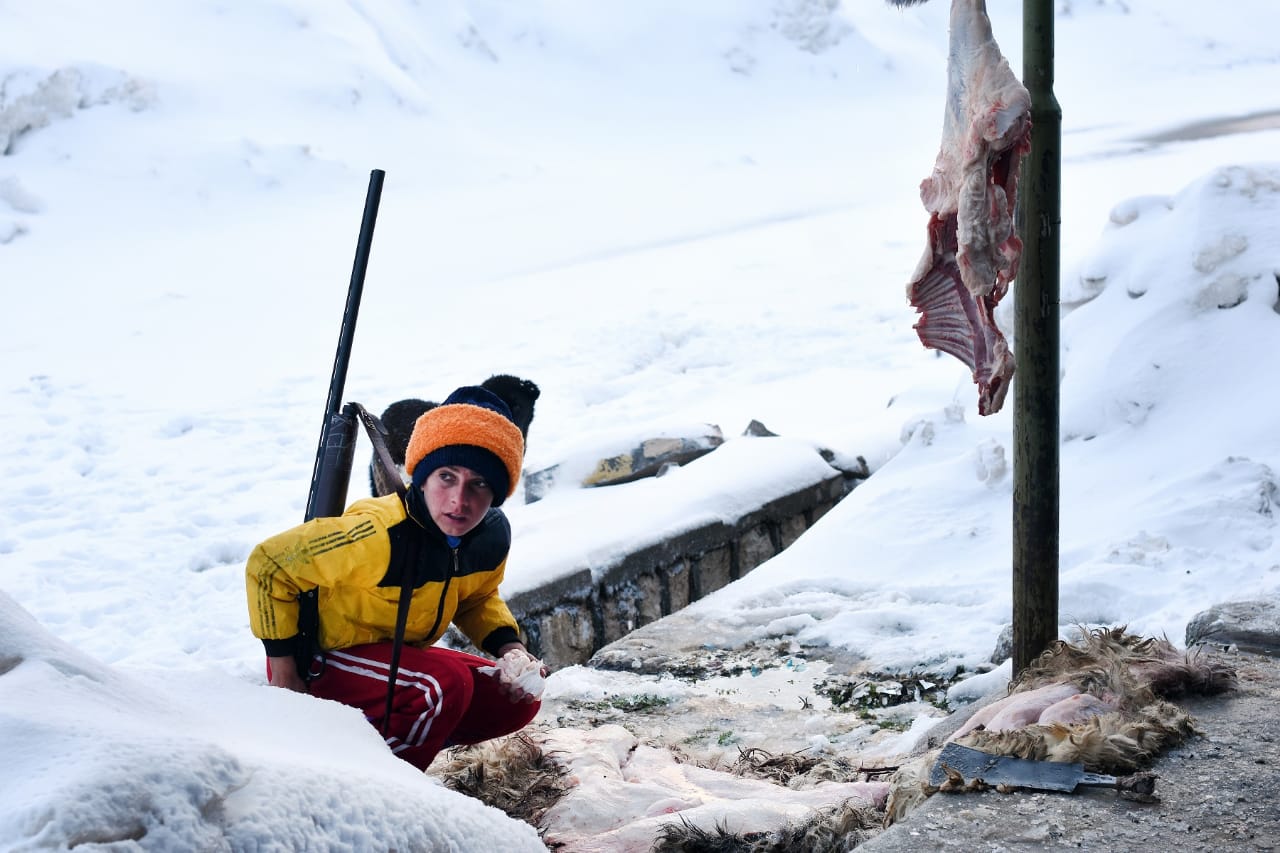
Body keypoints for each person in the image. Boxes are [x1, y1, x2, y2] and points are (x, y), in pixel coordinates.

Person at [245, 385, 546, 770]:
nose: (459, 500)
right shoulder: (378, 533)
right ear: (421, 477)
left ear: (498, 494)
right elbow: (268, 564)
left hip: (391, 661)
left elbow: (477, 597)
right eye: (446, 477)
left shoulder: (488, 536)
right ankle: (387, 785)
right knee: (441, 686)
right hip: (321, 659)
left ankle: (376, 744)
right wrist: (286, 679)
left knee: (515, 699)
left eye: (480, 484)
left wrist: (511, 650)